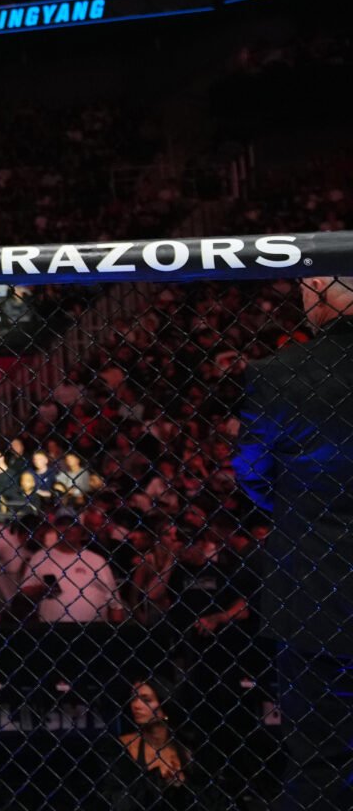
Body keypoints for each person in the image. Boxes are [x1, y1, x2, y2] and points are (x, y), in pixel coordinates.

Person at [236, 274, 353, 811]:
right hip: (312, 579)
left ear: (320, 289)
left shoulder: (280, 373)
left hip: (315, 587)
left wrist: (301, 507)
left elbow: (251, 471)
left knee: (320, 760)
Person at [103, 679, 203, 811]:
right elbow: (117, 800)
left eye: (146, 700)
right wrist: (157, 781)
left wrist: (182, 785)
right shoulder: (119, 747)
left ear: (165, 705)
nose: (136, 705)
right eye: (133, 699)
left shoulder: (187, 747)